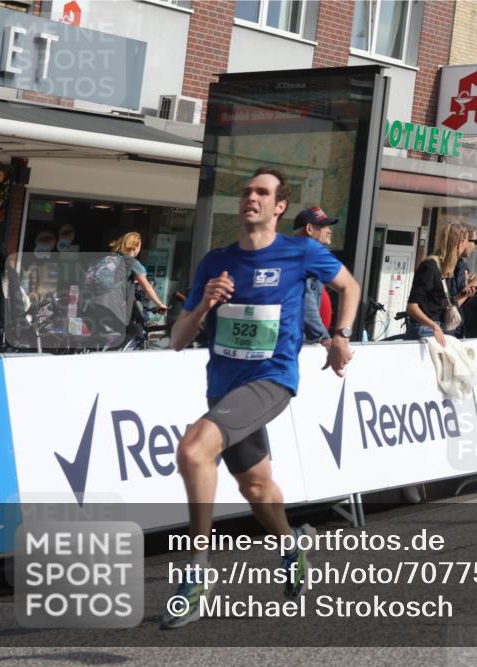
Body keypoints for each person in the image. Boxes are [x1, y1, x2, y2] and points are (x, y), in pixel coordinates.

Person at [161, 167, 360, 629]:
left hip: (272, 380)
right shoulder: (215, 261)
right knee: (255, 486)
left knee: (193, 450)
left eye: (262, 192)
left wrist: (341, 335)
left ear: (279, 206)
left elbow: (347, 287)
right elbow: (176, 338)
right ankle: (293, 548)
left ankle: (196, 573)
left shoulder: (301, 250)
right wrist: (206, 304)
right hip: (224, 388)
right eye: (247, 191)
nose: (251, 197)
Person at [405, 220, 468, 347]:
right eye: (466, 242)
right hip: (426, 330)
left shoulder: (445, 268)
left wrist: (467, 293)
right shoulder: (430, 266)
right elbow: (412, 307)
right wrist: (434, 326)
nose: (466, 246)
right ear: (460, 243)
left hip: (436, 329)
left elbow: (440, 305)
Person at [293, 206, 337, 345]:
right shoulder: (299, 258)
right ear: (309, 229)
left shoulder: (310, 257)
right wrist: (324, 338)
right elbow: (305, 300)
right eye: (324, 226)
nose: (329, 231)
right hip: (296, 343)